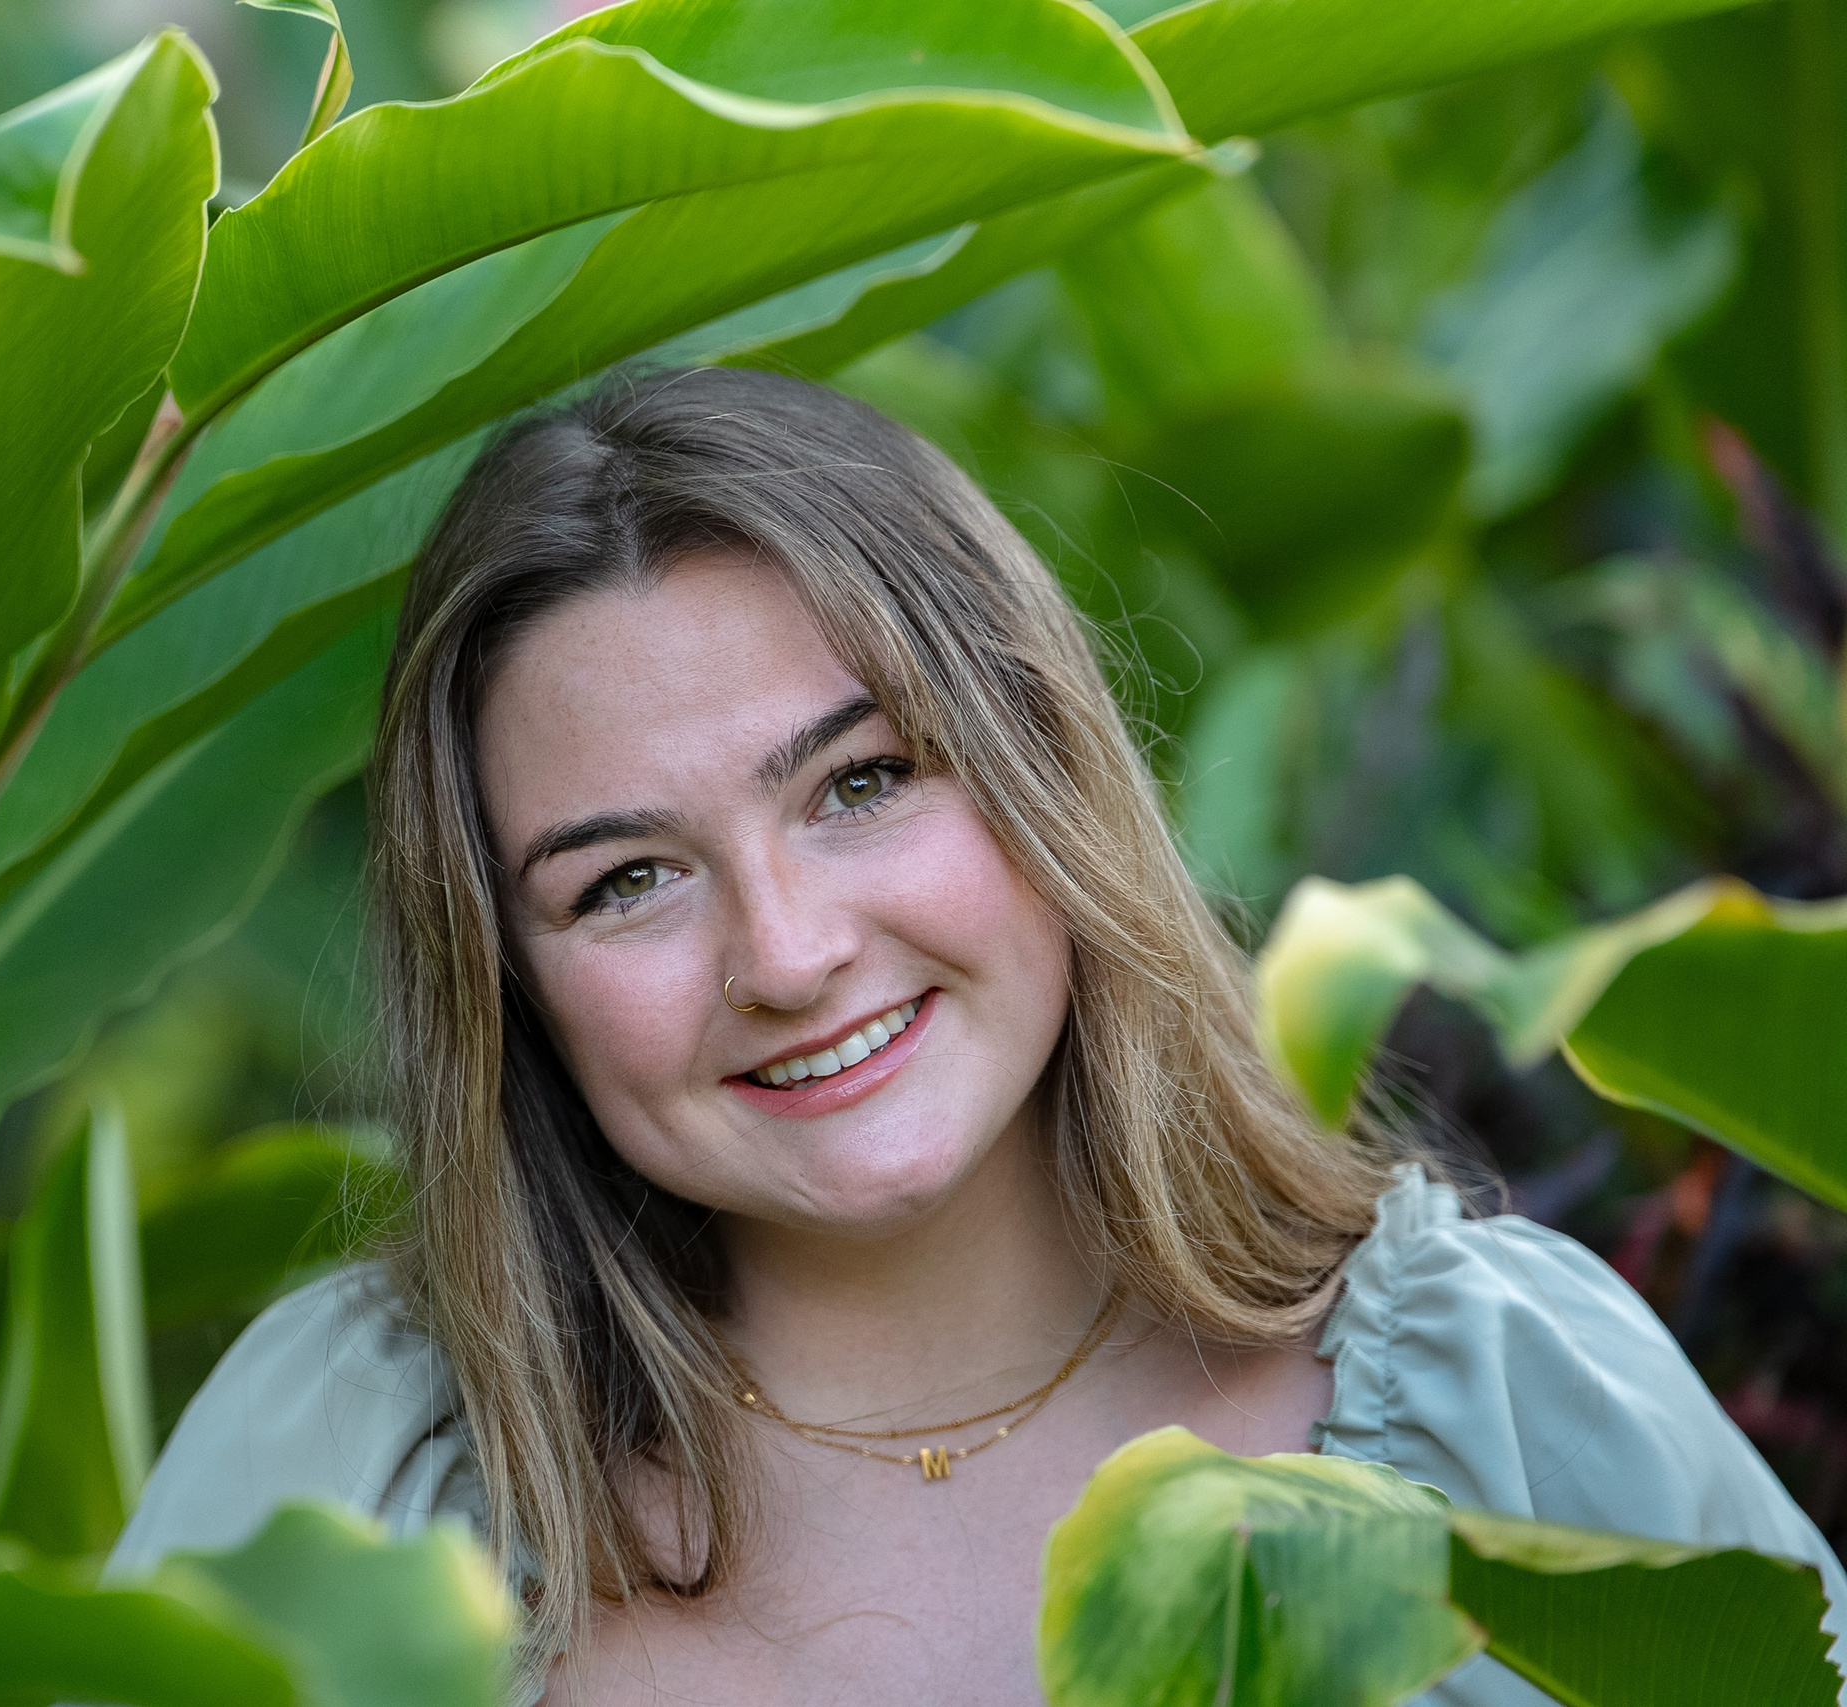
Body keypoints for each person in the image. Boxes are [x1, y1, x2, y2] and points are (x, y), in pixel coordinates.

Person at [106, 367, 1844, 1704]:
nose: (786, 955)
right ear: (516, 982)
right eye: (627, 882)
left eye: (863, 783)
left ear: (1043, 777)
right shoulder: (348, 1468)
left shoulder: (1511, 1404)